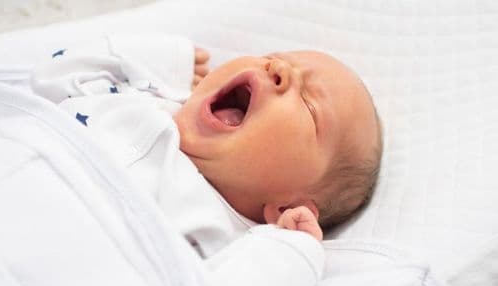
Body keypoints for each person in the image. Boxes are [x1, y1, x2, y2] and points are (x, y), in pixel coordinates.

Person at [31, 34, 382, 253]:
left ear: (285, 207)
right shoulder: (146, 99)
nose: (278, 68)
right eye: (276, 57)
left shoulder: (225, 237)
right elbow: (49, 78)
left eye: (309, 104)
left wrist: (290, 252)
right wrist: (162, 59)